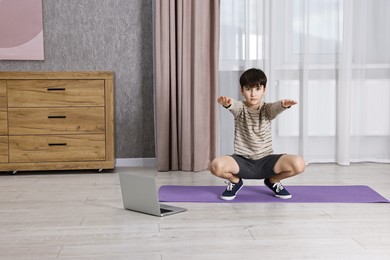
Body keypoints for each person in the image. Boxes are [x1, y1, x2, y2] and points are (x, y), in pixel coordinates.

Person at [210, 68, 305, 200]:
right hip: (242, 162)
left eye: (257, 89)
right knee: (215, 165)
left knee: (299, 164)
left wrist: (283, 105)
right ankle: (235, 182)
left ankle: (273, 181)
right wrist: (227, 104)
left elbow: (275, 108)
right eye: (249, 89)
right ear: (242, 91)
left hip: (266, 162)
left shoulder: (267, 110)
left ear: (264, 90)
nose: (253, 94)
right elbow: (233, 105)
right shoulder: (240, 109)